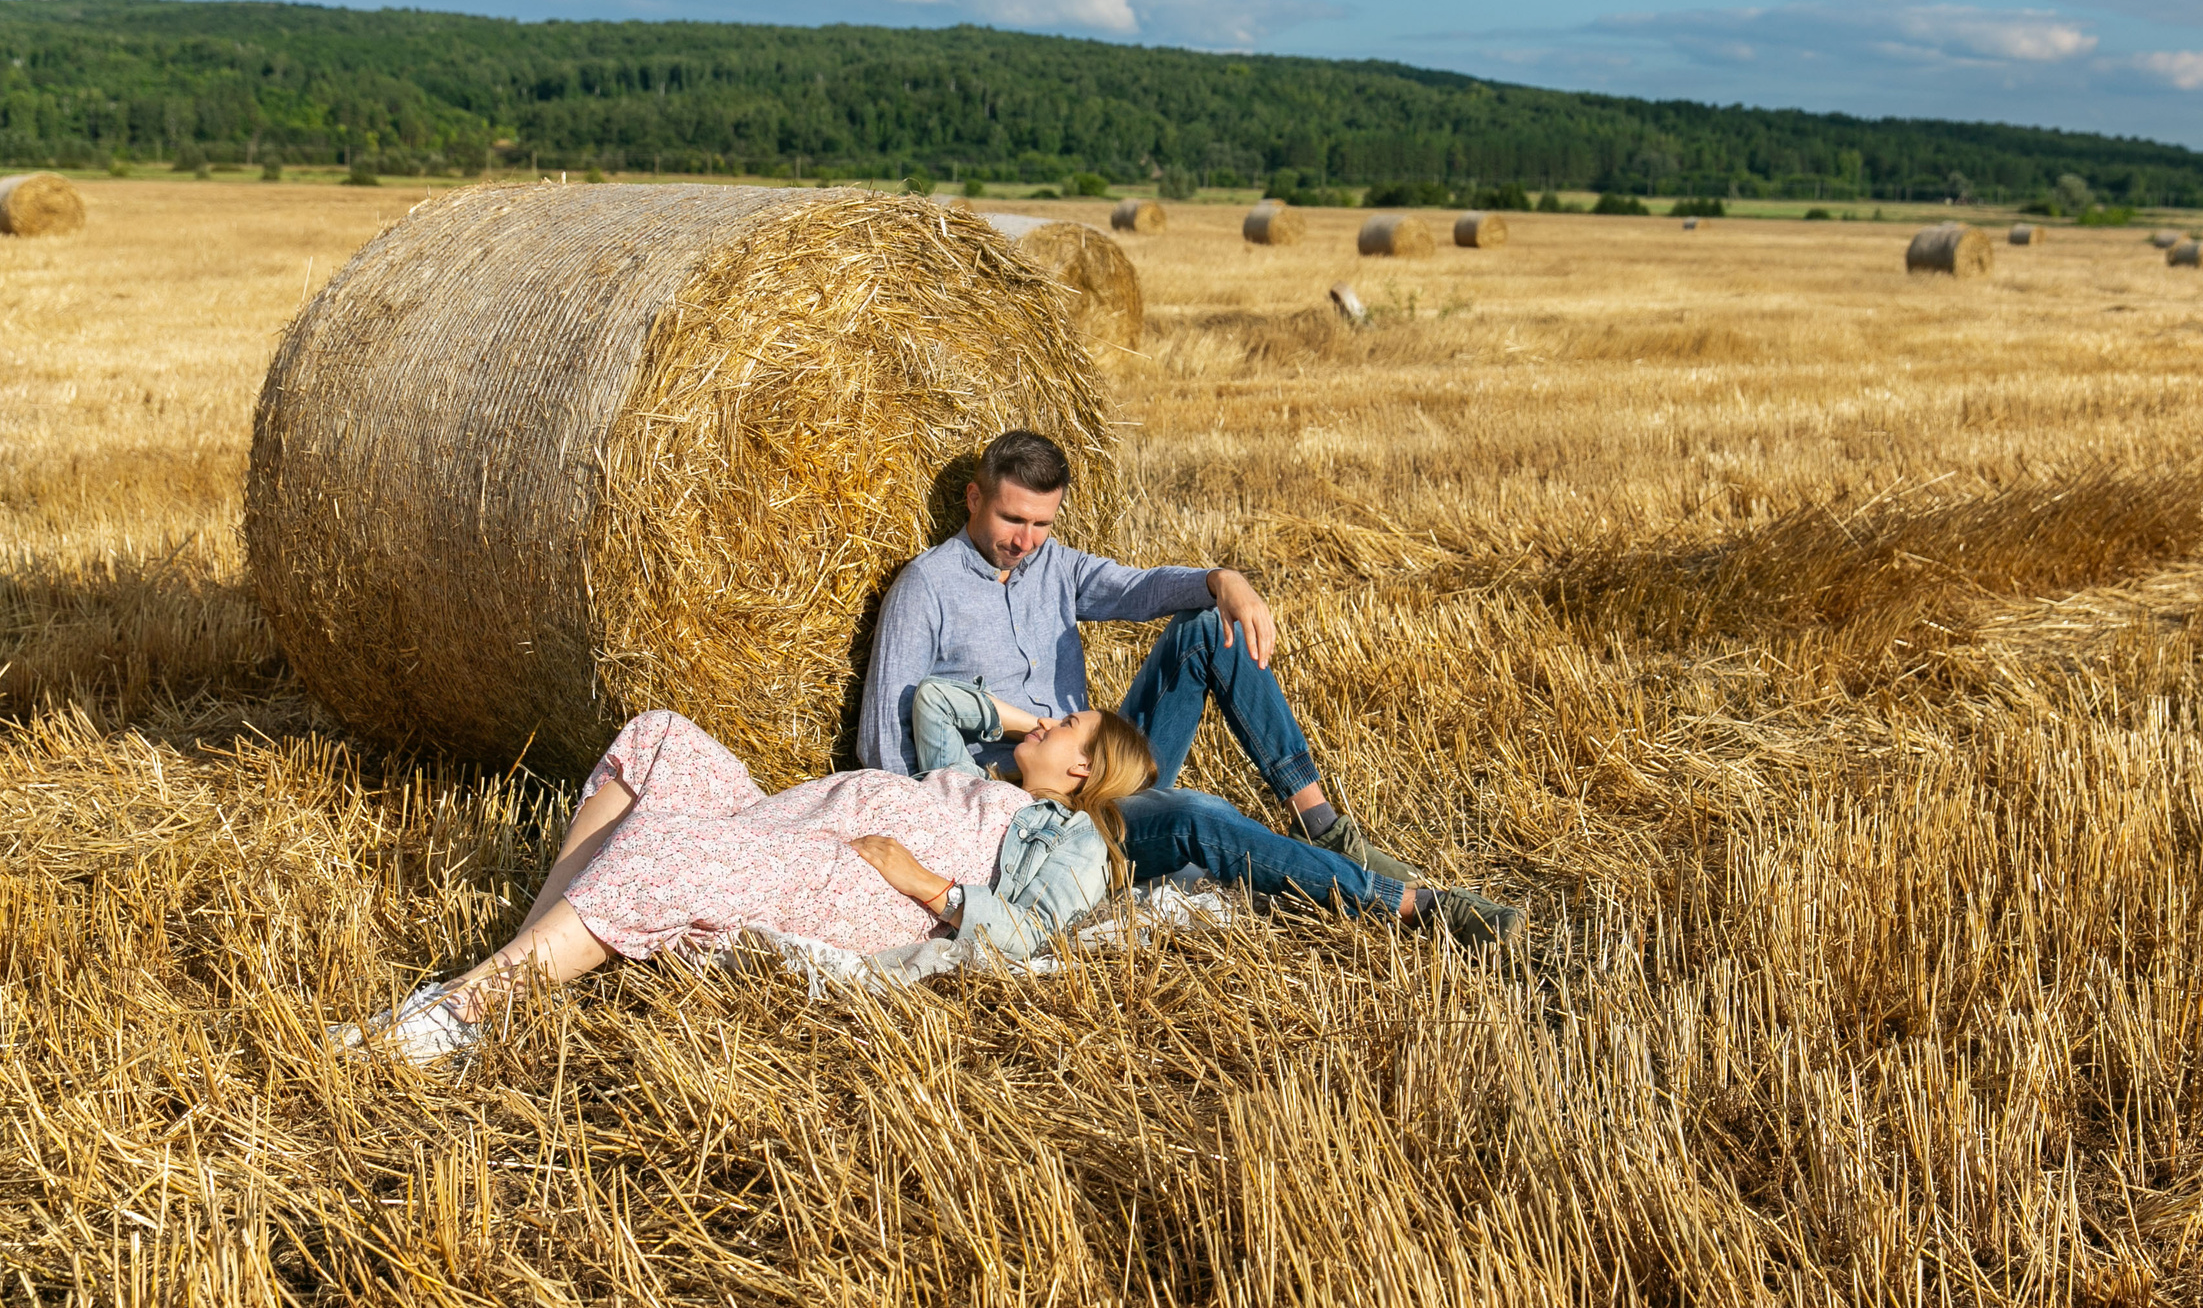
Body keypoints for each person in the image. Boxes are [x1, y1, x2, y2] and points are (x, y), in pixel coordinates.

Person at [858, 430, 1522, 946]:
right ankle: (1411, 904)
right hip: (1038, 814)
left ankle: (1325, 827)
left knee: (1208, 627)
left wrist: (1219, 578)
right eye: (1013, 520)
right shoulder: (926, 589)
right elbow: (887, 743)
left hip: (1099, 758)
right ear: (975, 499)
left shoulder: (1052, 565)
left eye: (1043, 524)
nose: (1027, 540)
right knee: (1199, 817)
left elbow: (1134, 588)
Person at [334, 697, 1155, 1064]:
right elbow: (939, 702)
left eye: (1065, 723)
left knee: (669, 854)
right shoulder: (982, 775)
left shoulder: (1076, 835)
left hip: (863, 886)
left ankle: (462, 1007)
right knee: (659, 737)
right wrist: (1017, 726)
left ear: (1086, 768)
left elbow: (1031, 934)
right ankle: (522, 969)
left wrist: (925, 882)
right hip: (795, 823)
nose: (1044, 717)